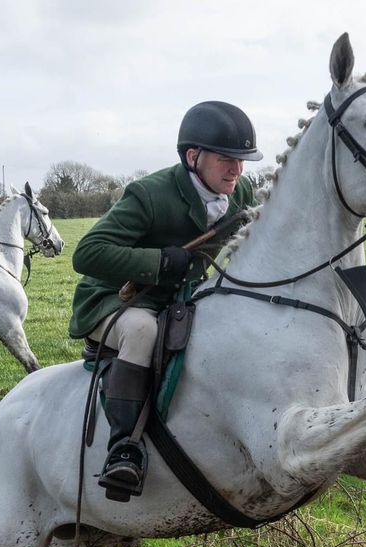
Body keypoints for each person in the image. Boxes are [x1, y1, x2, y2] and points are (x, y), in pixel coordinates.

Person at [69, 100, 260, 501]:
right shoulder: (149, 194)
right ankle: (123, 450)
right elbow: (87, 253)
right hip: (116, 301)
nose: (237, 170)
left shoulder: (240, 191)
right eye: (227, 159)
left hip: (182, 298)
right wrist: (158, 262)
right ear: (193, 156)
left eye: (242, 160)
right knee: (142, 330)